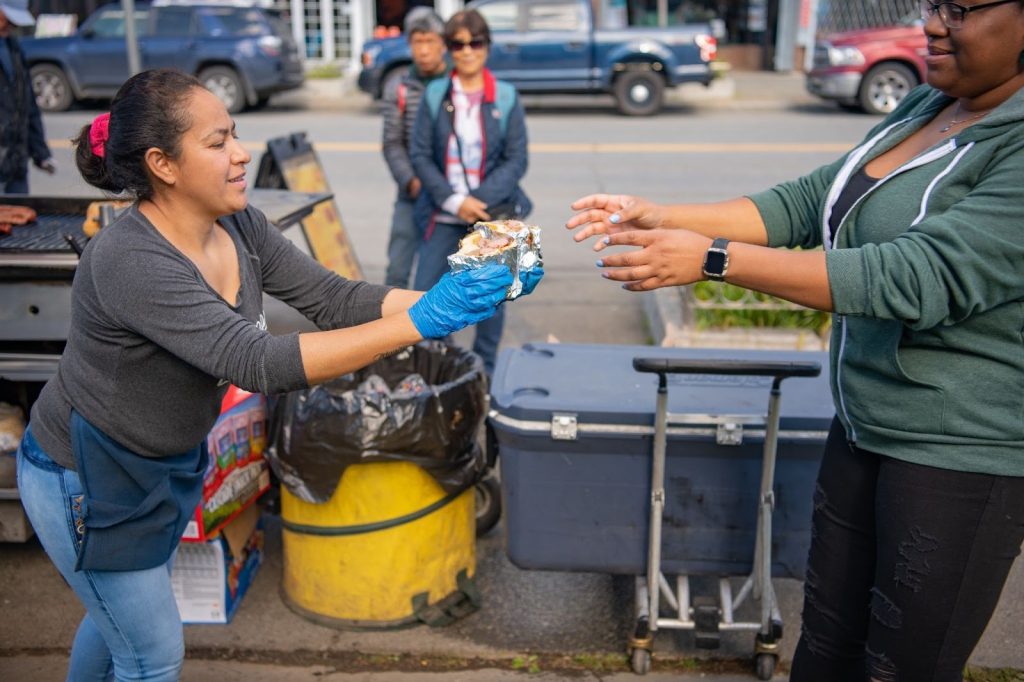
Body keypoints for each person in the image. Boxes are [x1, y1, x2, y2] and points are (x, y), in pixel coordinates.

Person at [15, 68, 539, 682]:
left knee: (112, 626)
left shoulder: (237, 223)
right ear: (162, 164)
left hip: (158, 468)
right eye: (217, 143)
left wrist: (463, 291)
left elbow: (336, 299)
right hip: (86, 477)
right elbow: (257, 361)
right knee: (151, 654)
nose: (241, 155)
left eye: (234, 135)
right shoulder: (130, 258)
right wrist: (426, 319)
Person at [567, 1, 1024, 679]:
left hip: (957, 455)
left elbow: (918, 276)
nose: (931, 24)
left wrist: (712, 257)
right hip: (866, 427)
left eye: (959, 9)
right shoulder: (931, 102)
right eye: (932, 4)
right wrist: (661, 215)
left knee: (899, 667)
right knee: (824, 652)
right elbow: (813, 200)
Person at [410, 8, 532, 376]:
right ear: (449, 49)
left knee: (492, 300)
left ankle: (485, 377)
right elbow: (419, 153)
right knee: (425, 300)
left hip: (490, 218)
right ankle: (442, 373)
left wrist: (477, 200)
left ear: (486, 47)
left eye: (474, 42)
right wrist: (454, 201)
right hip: (442, 213)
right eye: (457, 44)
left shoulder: (506, 97)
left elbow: (516, 159)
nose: (466, 51)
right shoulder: (435, 95)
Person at [381, 7, 449, 288]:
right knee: (397, 269)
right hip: (412, 192)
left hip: (449, 195)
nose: (423, 51)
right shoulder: (399, 87)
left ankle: (437, 331)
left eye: (429, 42)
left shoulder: (456, 84)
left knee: (441, 273)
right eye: (417, 43)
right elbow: (392, 142)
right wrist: (411, 181)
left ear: (442, 45)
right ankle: (389, 328)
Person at [0, 0, 56, 193]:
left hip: (15, 165)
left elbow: (27, 103)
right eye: (8, 18)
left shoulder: (12, 46)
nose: (12, 25)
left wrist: (40, 153)